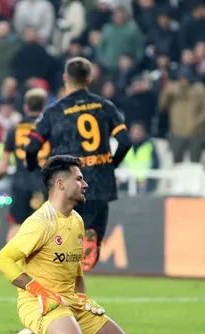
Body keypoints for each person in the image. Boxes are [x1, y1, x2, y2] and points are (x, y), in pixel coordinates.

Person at [0, 155, 135, 334]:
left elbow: (76, 268)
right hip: (40, 304)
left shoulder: (77, 220)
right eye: (78, 179)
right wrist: (39, 291)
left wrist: (82, 297)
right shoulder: (40, 223)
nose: (85, 184)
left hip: (71, 302)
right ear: (60, 184)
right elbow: (2, 261)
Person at [24, 57, 133, 273]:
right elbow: (125, 142)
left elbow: (31, 148)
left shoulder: (54, 112)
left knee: (62, 241)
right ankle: (91, 236)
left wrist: (34, 168)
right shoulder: (105, 106)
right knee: (89, 236)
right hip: (100, 182)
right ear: (90, 79)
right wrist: (111, 165)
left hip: (67, 183)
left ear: (65, 79)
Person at [0, 88, 50, 240]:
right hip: (43, 184)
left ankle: (10, 256)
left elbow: (3, 166)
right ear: (44, 107)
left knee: (16, 227)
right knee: (45, 230)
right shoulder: (49, 128)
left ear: (25, 107)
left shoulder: (14, 130)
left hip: (20, 184)